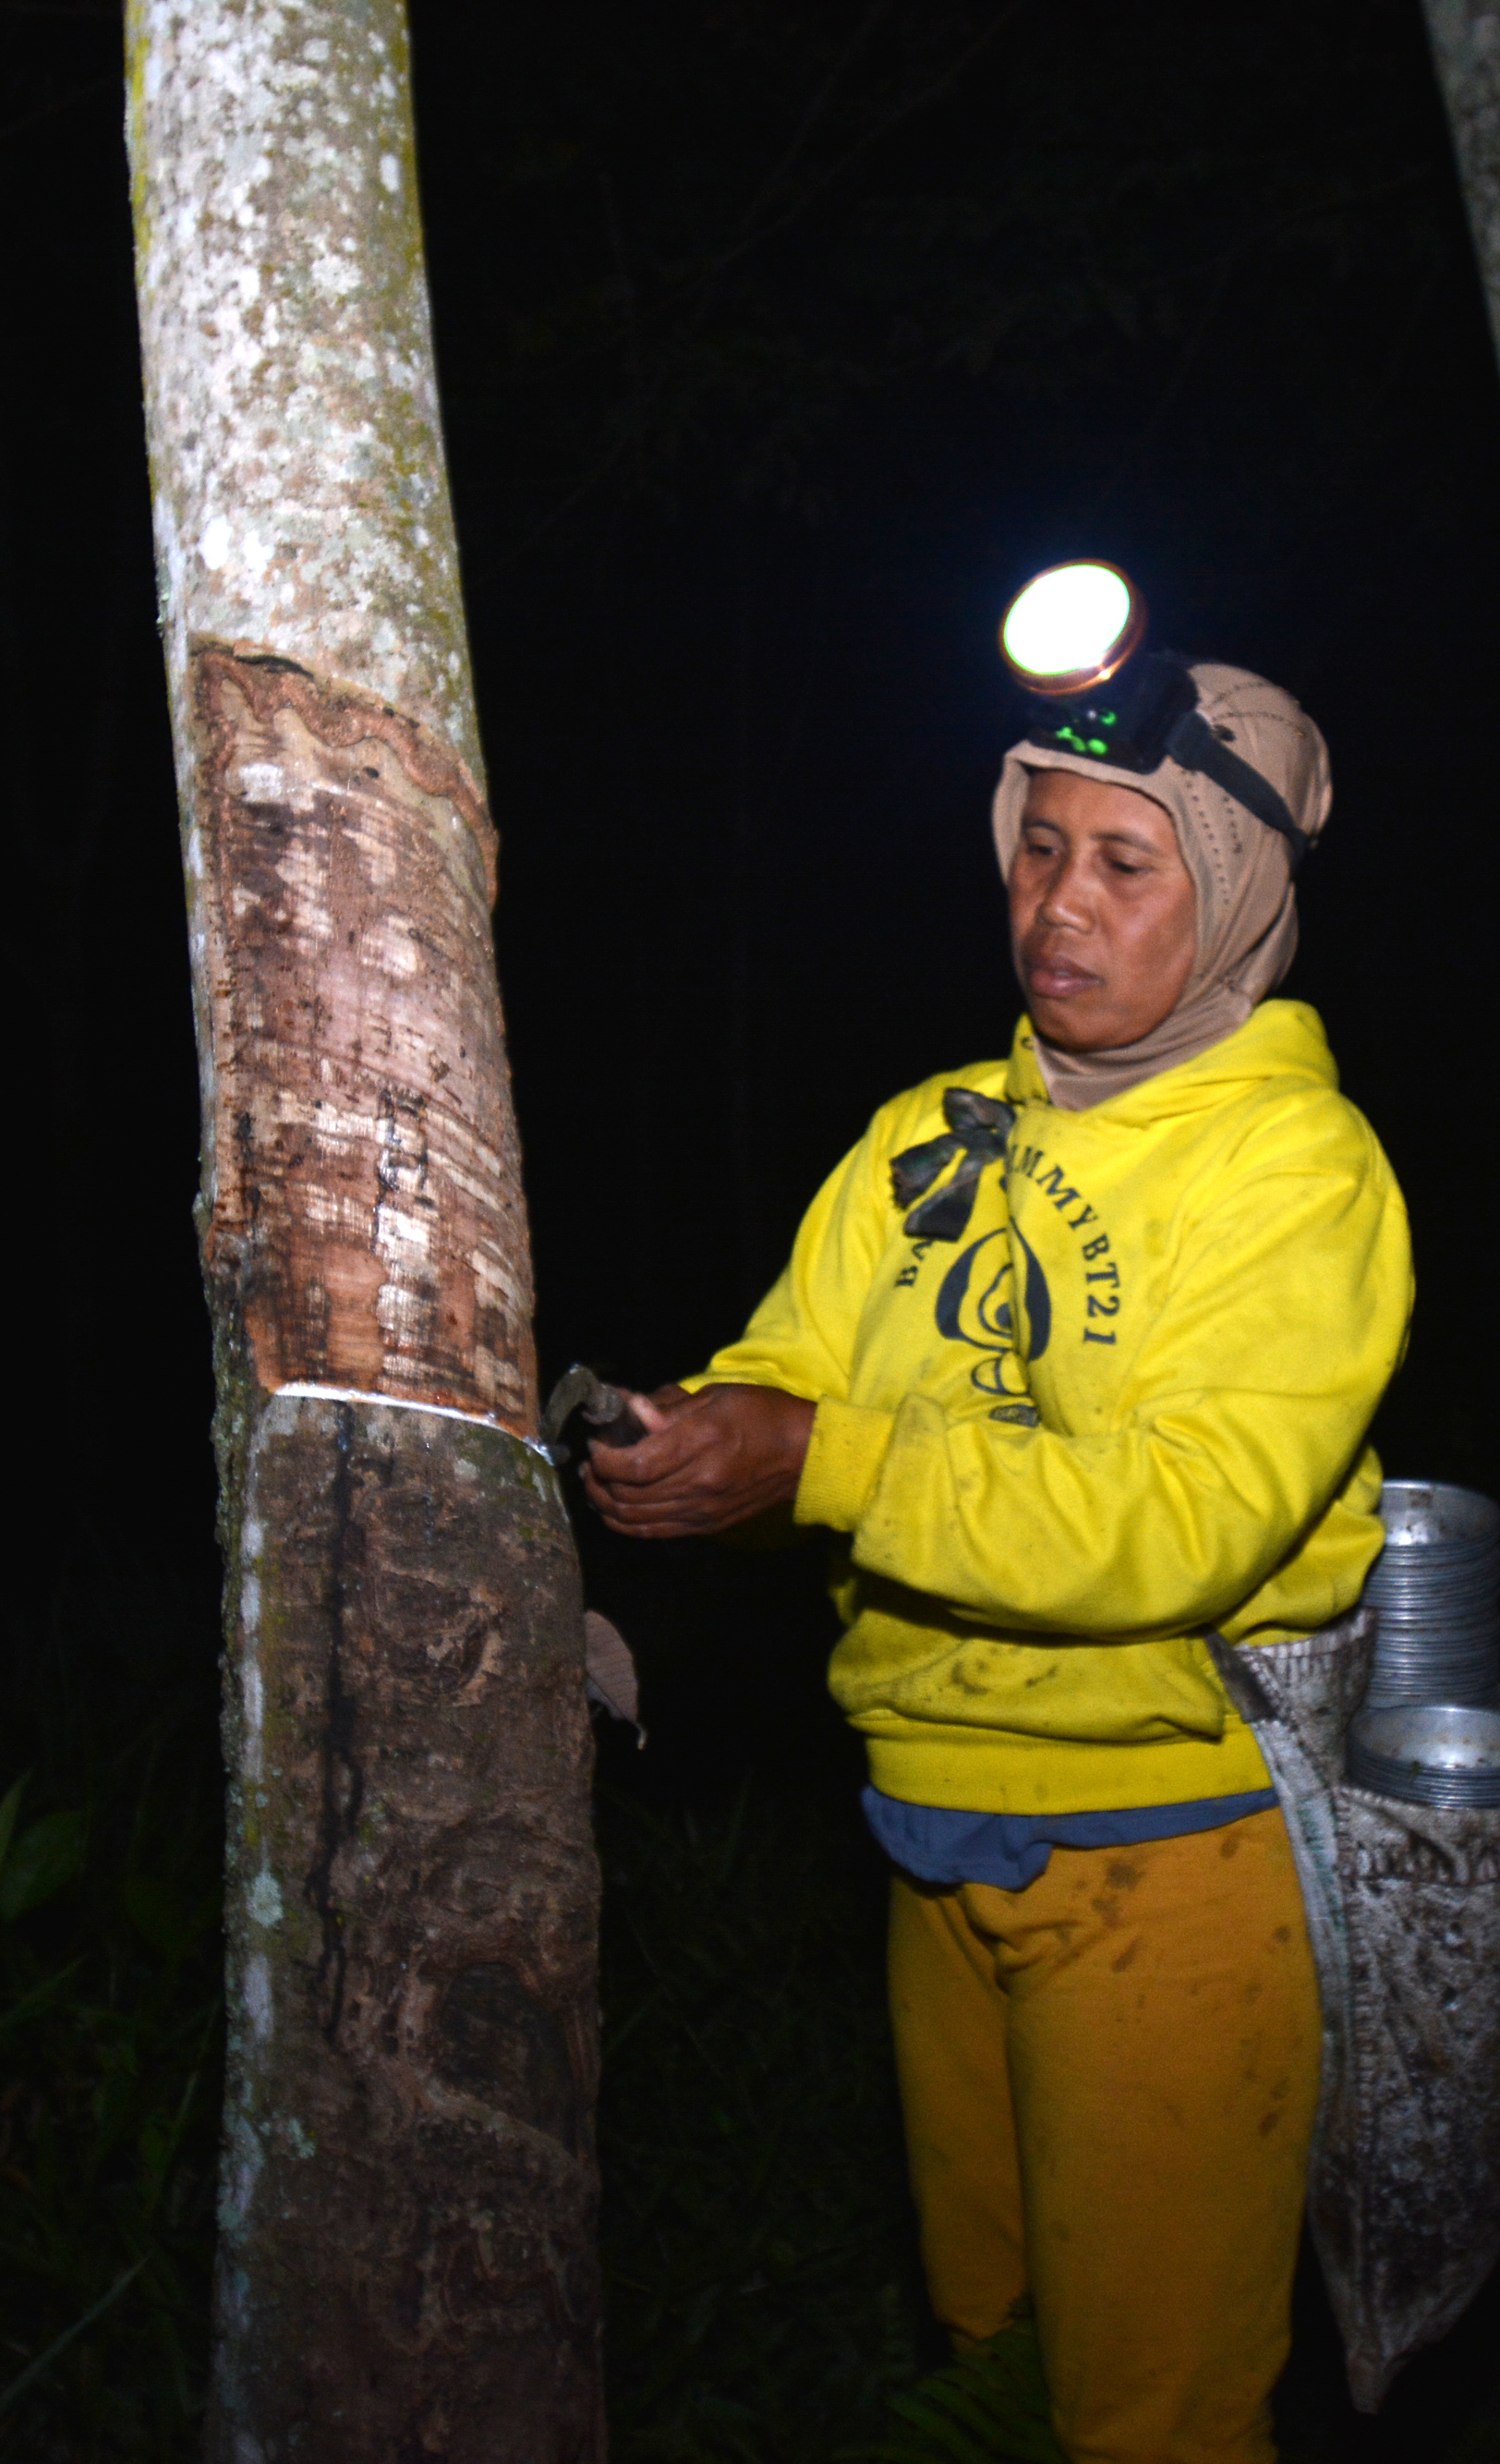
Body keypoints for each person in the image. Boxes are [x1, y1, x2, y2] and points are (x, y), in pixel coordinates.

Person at [585, 657, 1410, 2464]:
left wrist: (816, 1459)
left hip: (1173, 1853)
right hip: (926, 1832)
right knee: (988, 2354)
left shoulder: (1297, 1172)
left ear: (1238, 896)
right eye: (1038, 847)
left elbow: (1180, 1523)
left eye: (1127, 862)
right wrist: (692, 1435)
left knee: (1151, 2418)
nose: (1059, 904)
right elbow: (793, 1362)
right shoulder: (918, 1133)